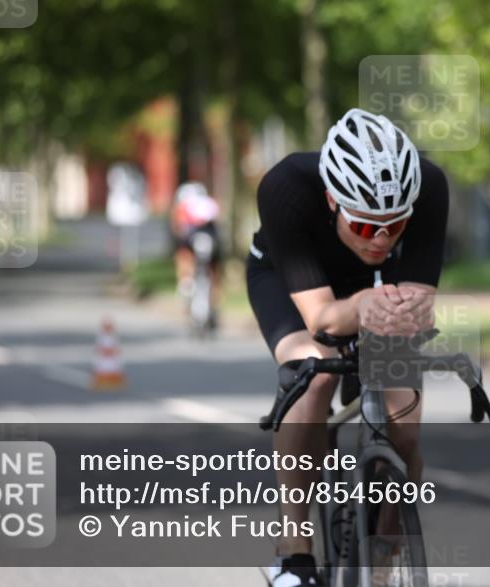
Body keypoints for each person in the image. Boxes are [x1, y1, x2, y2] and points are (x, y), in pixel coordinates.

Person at [247, 108, 448, 586]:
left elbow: (419, 302)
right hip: (294, 283)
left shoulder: (430, 187)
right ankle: (294, 551)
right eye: (365, 227)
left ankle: (387, 544)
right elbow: (322, 318)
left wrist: (397, 322)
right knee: (314, 373)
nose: (380, 239)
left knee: (405, 427)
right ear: (333, 200)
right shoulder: (285, 189)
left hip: (380, 289)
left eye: (395, 226)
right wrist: (363, 309)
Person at [170, 181, 222, 324]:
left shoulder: (183, 207)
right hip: (208, 240)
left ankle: (186, 282)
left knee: (184, 257)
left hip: (194, 241)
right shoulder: (210, 203)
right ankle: (211, 303)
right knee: (213, 272)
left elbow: (177, 229)